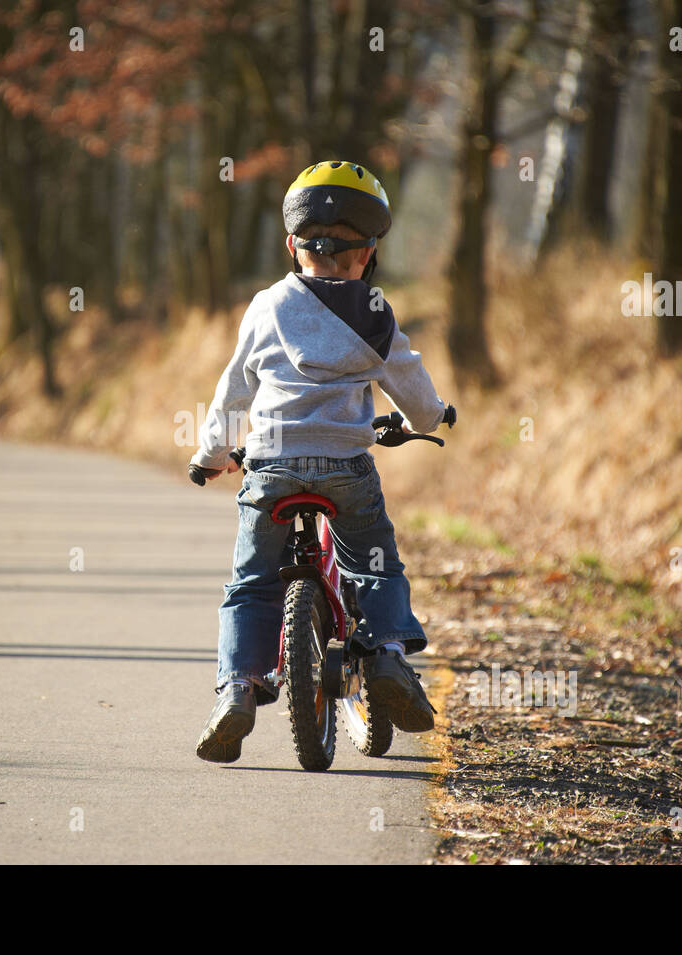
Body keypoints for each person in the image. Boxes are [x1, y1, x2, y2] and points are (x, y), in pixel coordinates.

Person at [189, 160, 450, 763]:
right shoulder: (375, 311)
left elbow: (234, 393)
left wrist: (211, 455)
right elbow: (413, 392)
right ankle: (386, 654)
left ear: (292, 245)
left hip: (271, 467)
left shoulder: (266, 306)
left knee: (252, 584)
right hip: (345, 470)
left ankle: (237, 689)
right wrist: (431, 418)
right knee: (375, 565)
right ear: (368, 254)